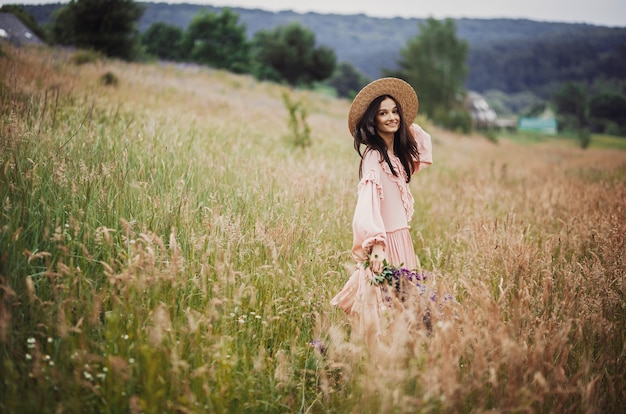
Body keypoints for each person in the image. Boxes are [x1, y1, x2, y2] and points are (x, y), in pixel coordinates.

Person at [330, 77, 433, 343]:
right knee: (385, 312)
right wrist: (376, 244)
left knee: (405, 311)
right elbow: (368, 204)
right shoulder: (374, 157)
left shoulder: (396, 158)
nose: (392, 117)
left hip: (402, 241)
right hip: (386, 243)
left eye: (395, 111)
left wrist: (400, 121)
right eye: (382, 113)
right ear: (371, 121)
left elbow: (421, 142)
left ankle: (400, 361)